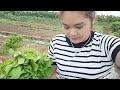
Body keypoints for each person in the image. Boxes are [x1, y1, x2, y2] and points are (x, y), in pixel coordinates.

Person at [47, 11, 120, 79]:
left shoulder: (106, 43)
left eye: (79, 26)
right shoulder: (56, 41)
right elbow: (50, 71)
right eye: (66, 27)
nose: (72, 33)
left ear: (92, 20)